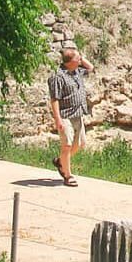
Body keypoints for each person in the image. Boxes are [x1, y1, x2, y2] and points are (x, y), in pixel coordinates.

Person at [48, 44, 93, 187]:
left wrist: (80, 57)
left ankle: (61, 162)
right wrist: (58, 119)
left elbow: (91, 68)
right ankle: (67, 175)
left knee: (80, 144)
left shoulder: (77, 72)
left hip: (77, 114)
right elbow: (54, 99)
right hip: (65, 114)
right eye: (77, 58)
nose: (80, 60)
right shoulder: (58, 76)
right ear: (70, 61)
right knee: (67, 145)